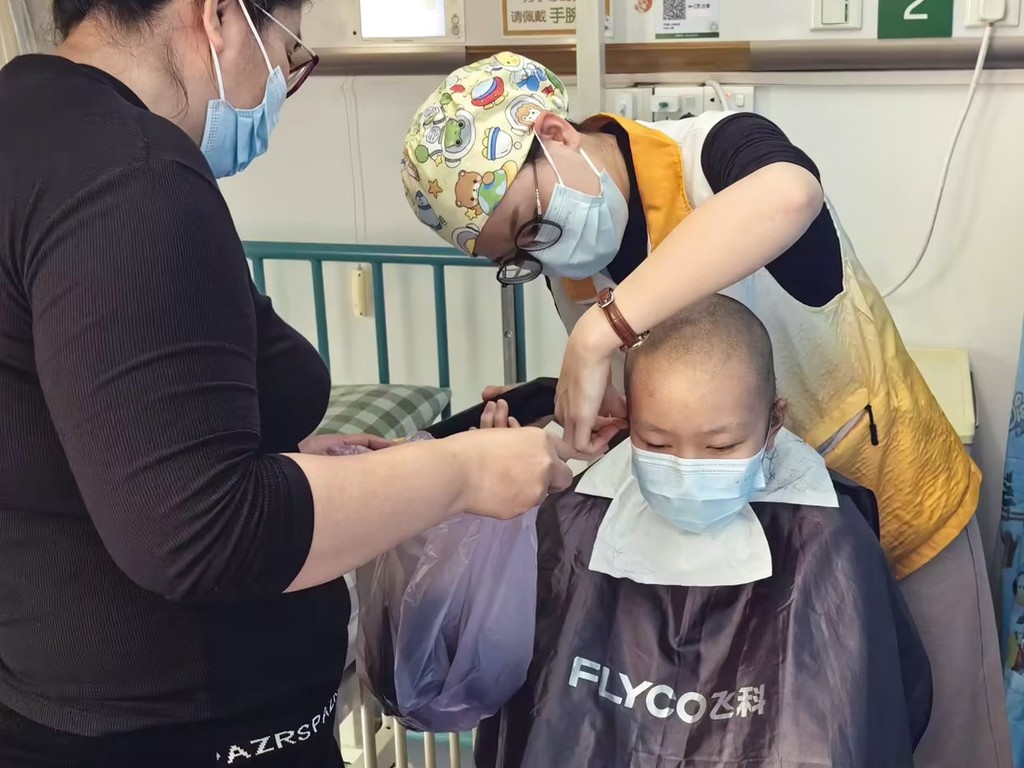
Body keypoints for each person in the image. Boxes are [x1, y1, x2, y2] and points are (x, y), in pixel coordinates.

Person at [401, 52, 1010, 767]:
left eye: (530, 222)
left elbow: (789, 194)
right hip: (751, 556)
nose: (545, 255)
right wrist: (614, 429)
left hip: (891, 505)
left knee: (944, 740)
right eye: (520, 254)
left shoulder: (714, 153)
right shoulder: (571, 263)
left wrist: (604, 329)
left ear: (556, 133)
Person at [0, 13, 572, 768]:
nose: (279, 82)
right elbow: (202, 532)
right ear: (218, 16)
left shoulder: (25, 122)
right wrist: (462, 473)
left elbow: (85, 427)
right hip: (183, 726)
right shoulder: (128, 175)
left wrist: (288, 457)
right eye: (286, 51)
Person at [470, 295, 932, 767]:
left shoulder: (828, 539)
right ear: (627, 421)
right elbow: (496, 683)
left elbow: (867, 720)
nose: (687, 472)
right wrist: (488, 517)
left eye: (720, 447)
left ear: (774, 421)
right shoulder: (571, 517)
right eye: (656, 443)